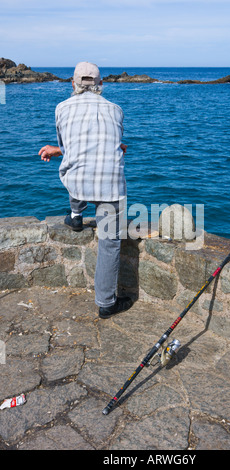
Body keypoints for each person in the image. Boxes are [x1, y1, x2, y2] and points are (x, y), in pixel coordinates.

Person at [38, 61, 133, 319]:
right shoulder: (116, 109)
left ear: (73, 84)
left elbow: (69, 146)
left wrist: (56, 150)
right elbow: (109, 140)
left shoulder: (62, 108)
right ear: (101, 85)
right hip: (110, 186)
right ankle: (106, 303)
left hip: (78, 185)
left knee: (75, 170)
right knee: (110, 242)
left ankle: (76, 216)